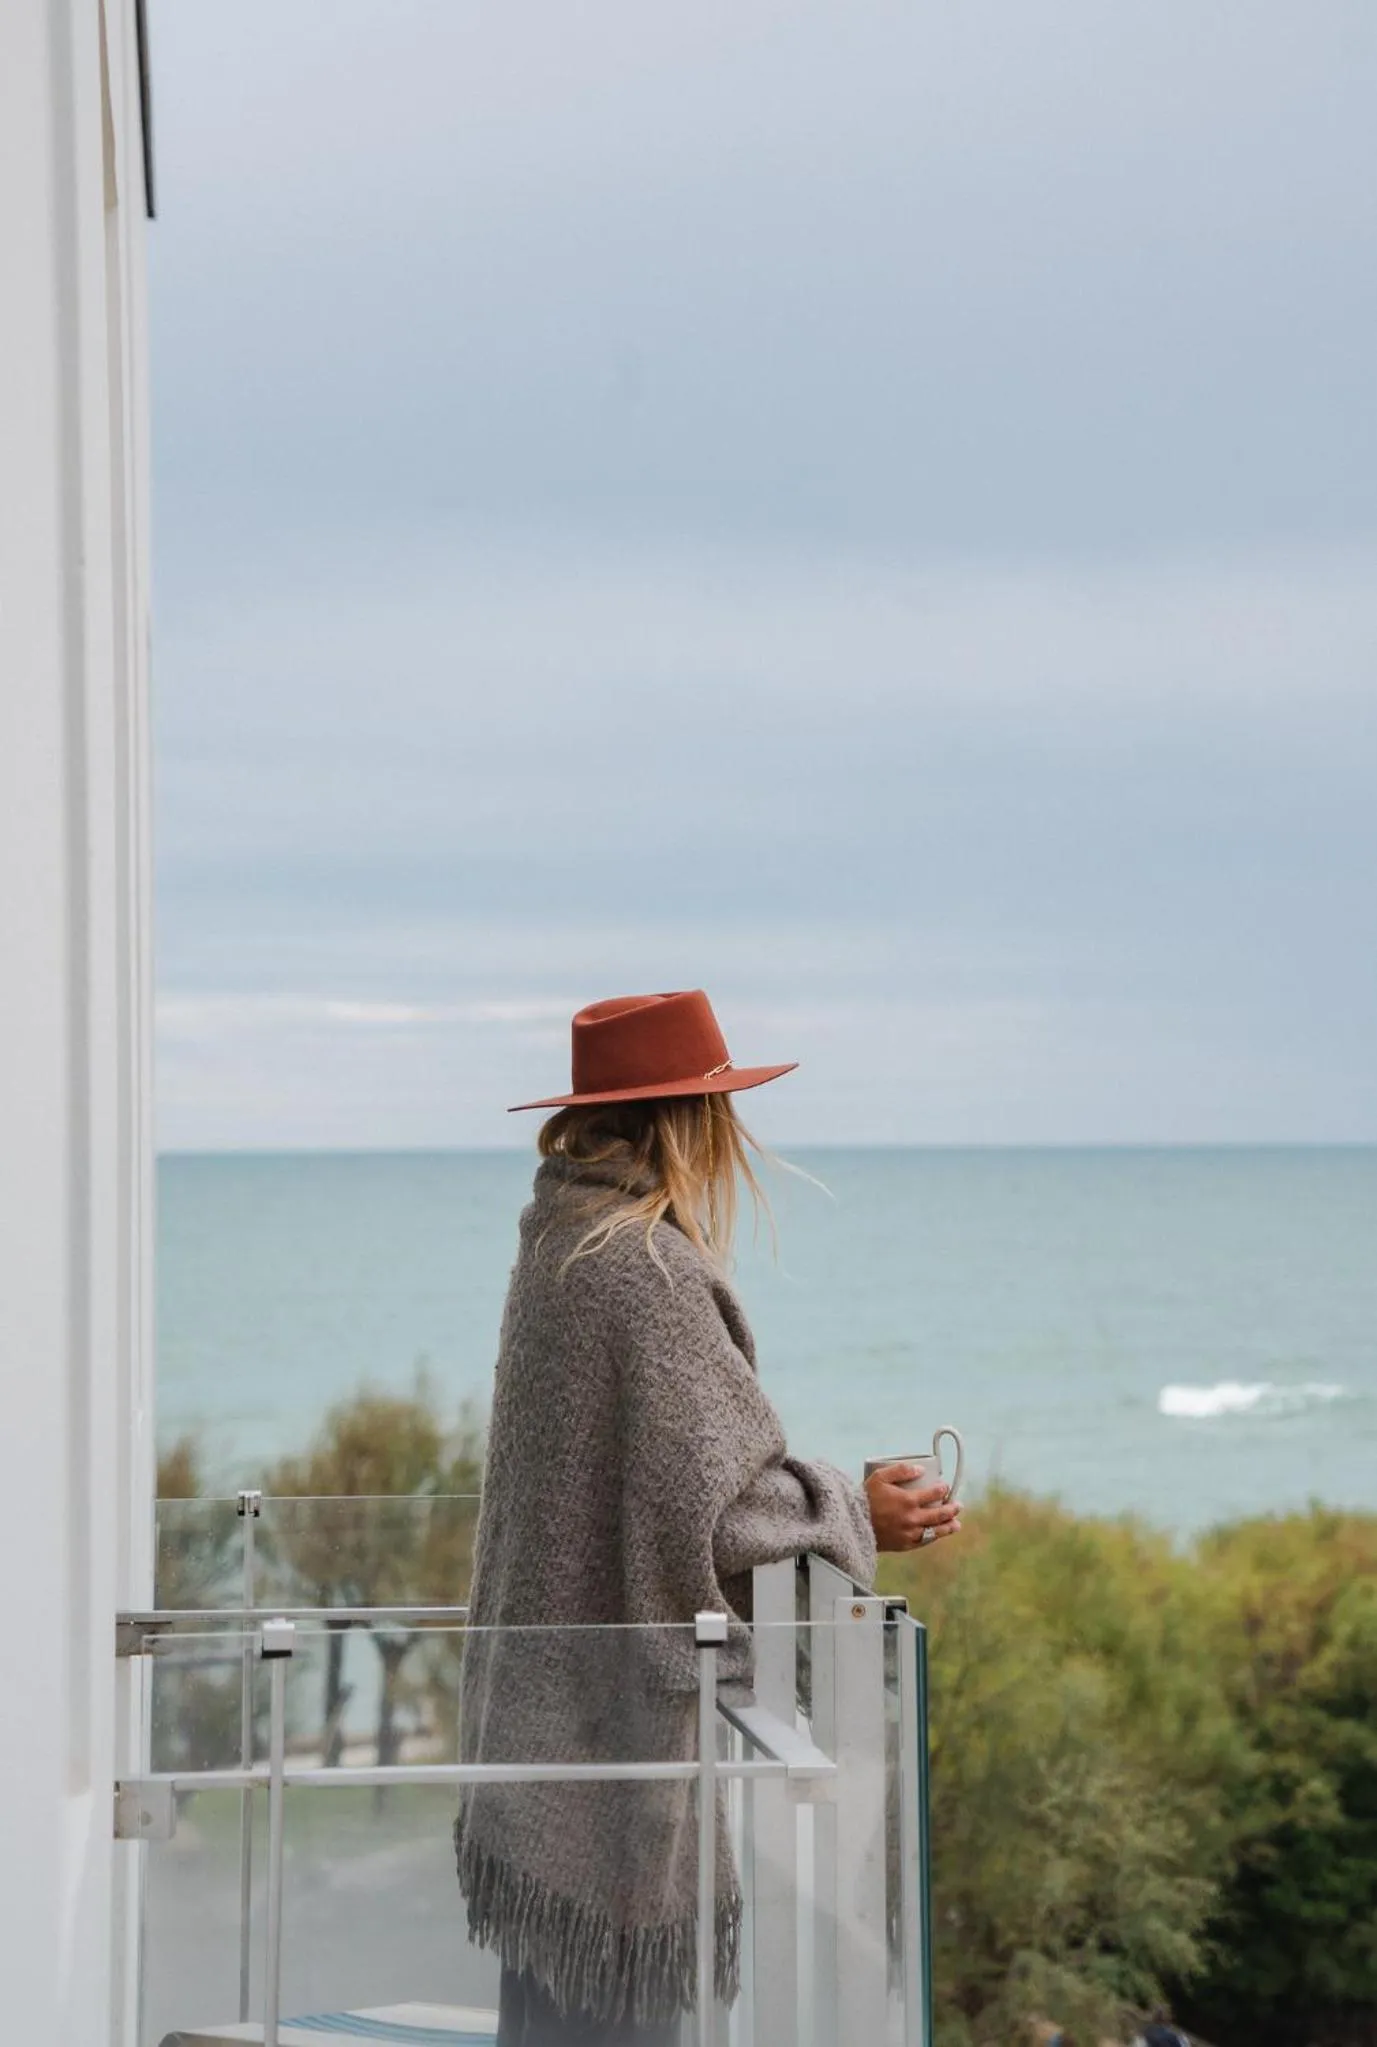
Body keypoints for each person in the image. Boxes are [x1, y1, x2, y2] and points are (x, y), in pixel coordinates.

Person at [454, 990, 962, 2045]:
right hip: (610, 1753)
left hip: (541, 1728)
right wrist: (854, 1510)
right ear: (695, 1120)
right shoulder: (641, 1267)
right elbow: (721, 1512)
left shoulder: (559, 1240)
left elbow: (659, 1478)